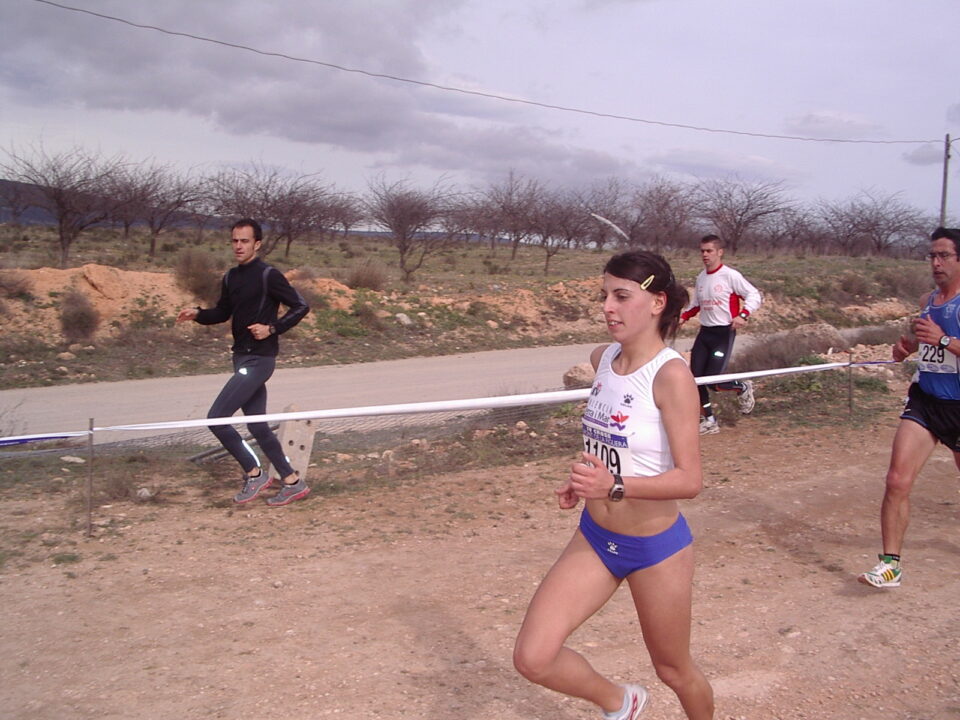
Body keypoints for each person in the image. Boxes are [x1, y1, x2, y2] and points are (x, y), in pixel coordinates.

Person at [514, 250, 714, 720]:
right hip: (597, 536)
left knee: (674, 669)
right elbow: (611, 441)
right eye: (605, 294)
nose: (608, 306)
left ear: (657, 302)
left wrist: (615, 487)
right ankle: (620, 701)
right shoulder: (602, 358)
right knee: (533, 657)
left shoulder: (671, 376)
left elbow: (690, 480)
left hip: (655, 548)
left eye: (622, 296)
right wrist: (583, 481)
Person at [176, 218, 311, 506]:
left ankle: (255, 474)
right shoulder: (231, 277)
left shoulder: (268, 275)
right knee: (258, 426)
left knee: (217, 418)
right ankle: (293, 482)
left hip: (260, 359)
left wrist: (271, 328)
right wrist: (198, 313)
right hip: (240, 356)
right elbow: (223, 313)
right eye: (235, 241)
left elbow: (301, 306)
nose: (238, 246)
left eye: (245, 241)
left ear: (257, 243)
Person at [859, 226, 960, 588]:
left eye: (943, 255)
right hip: (926, 401)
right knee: (897, 480)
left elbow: (943, 341)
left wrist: (946, 340)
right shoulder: (927, 300)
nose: (935, 262)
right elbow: (924, 342)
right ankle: (890, 565)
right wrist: (907, 349)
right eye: (932, 255)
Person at [679, 234, 762, 435]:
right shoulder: (701, 277)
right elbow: (697, 304)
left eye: (709, 251)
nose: (705, 255)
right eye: (702, 251)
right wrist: (683, 317)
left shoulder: (730, 275)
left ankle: (742, 387)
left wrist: (743, 314)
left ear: (719, 252)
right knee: (695, 380)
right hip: (705, 334)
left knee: (714, 382)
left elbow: (754, 295)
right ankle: (709, 421)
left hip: (723, 334)